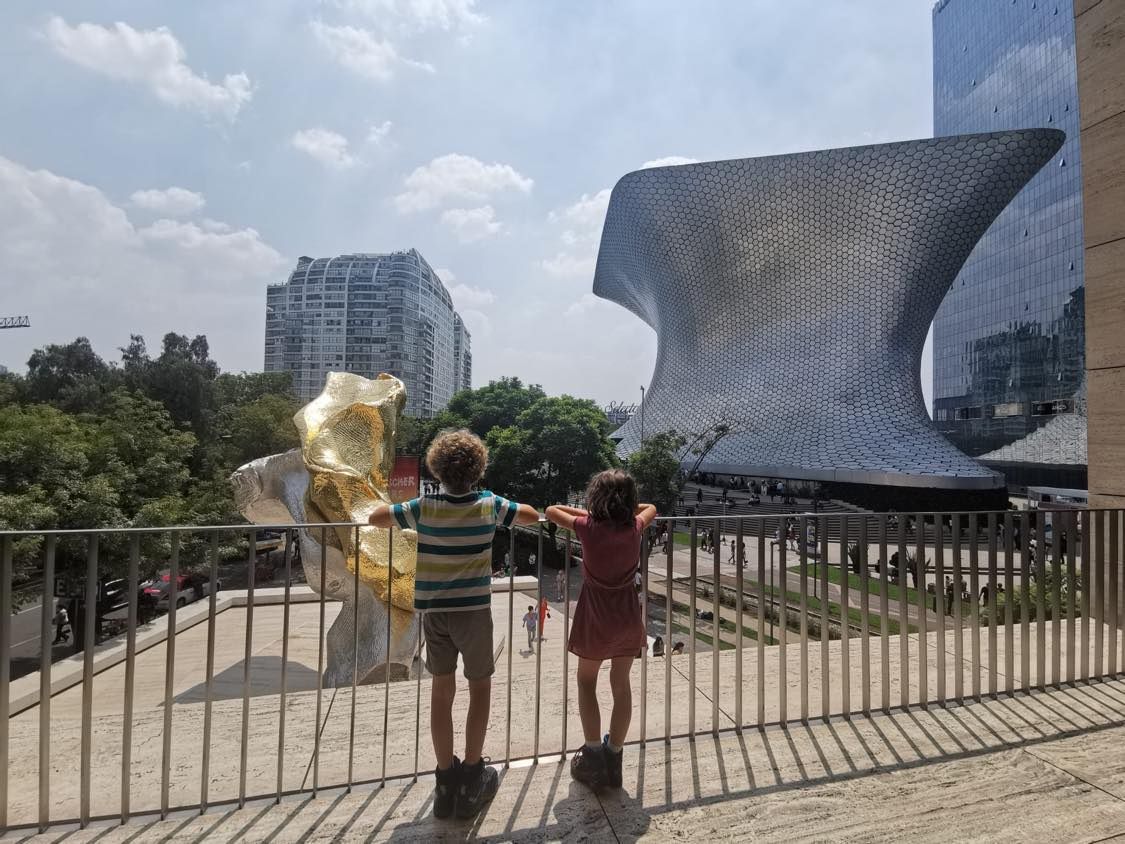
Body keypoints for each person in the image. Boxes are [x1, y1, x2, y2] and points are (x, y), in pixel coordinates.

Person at [369, 429, 539, 820]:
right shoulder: (488, 504)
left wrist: (398, 506)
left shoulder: (423, 508)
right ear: (478, 468)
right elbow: (528, 514)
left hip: (435, 613)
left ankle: (445, 780)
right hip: (474, 613)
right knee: (479, 688)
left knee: (441, 693)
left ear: (437, 469)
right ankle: (473, 776)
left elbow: (377, 517)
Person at [545, 469, 656, 792]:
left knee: (586, 681)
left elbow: (552, 510)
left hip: (594, 614)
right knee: (621, 685)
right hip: (626, 614)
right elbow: (651, 507)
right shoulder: (635, 527)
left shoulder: (587, 528)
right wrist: (621, 510)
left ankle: (592, 755)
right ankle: (615, 756)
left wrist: (593, 514)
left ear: (595, 499)